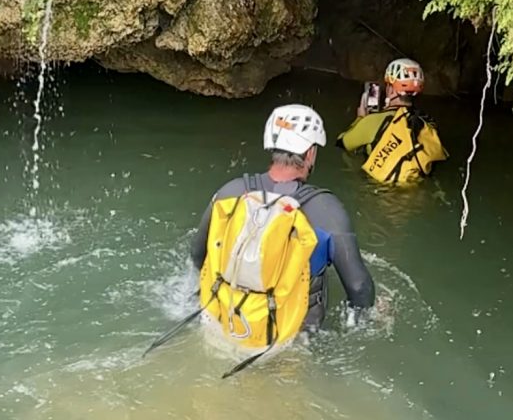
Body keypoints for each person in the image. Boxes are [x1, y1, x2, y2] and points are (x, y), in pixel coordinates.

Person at [187, 104, 375, 374]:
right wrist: (371, 314)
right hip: (290, 342)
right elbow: (358, 288)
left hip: (219, 325)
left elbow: (197, 256)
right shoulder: (326, 210)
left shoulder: (230, 192)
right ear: (311, 153)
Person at [337, 58, 448, 184]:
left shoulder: (374, 121)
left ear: (391, 89)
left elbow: (343, 143)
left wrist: (361, 119)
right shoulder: (427, 124)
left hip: (380, 189)